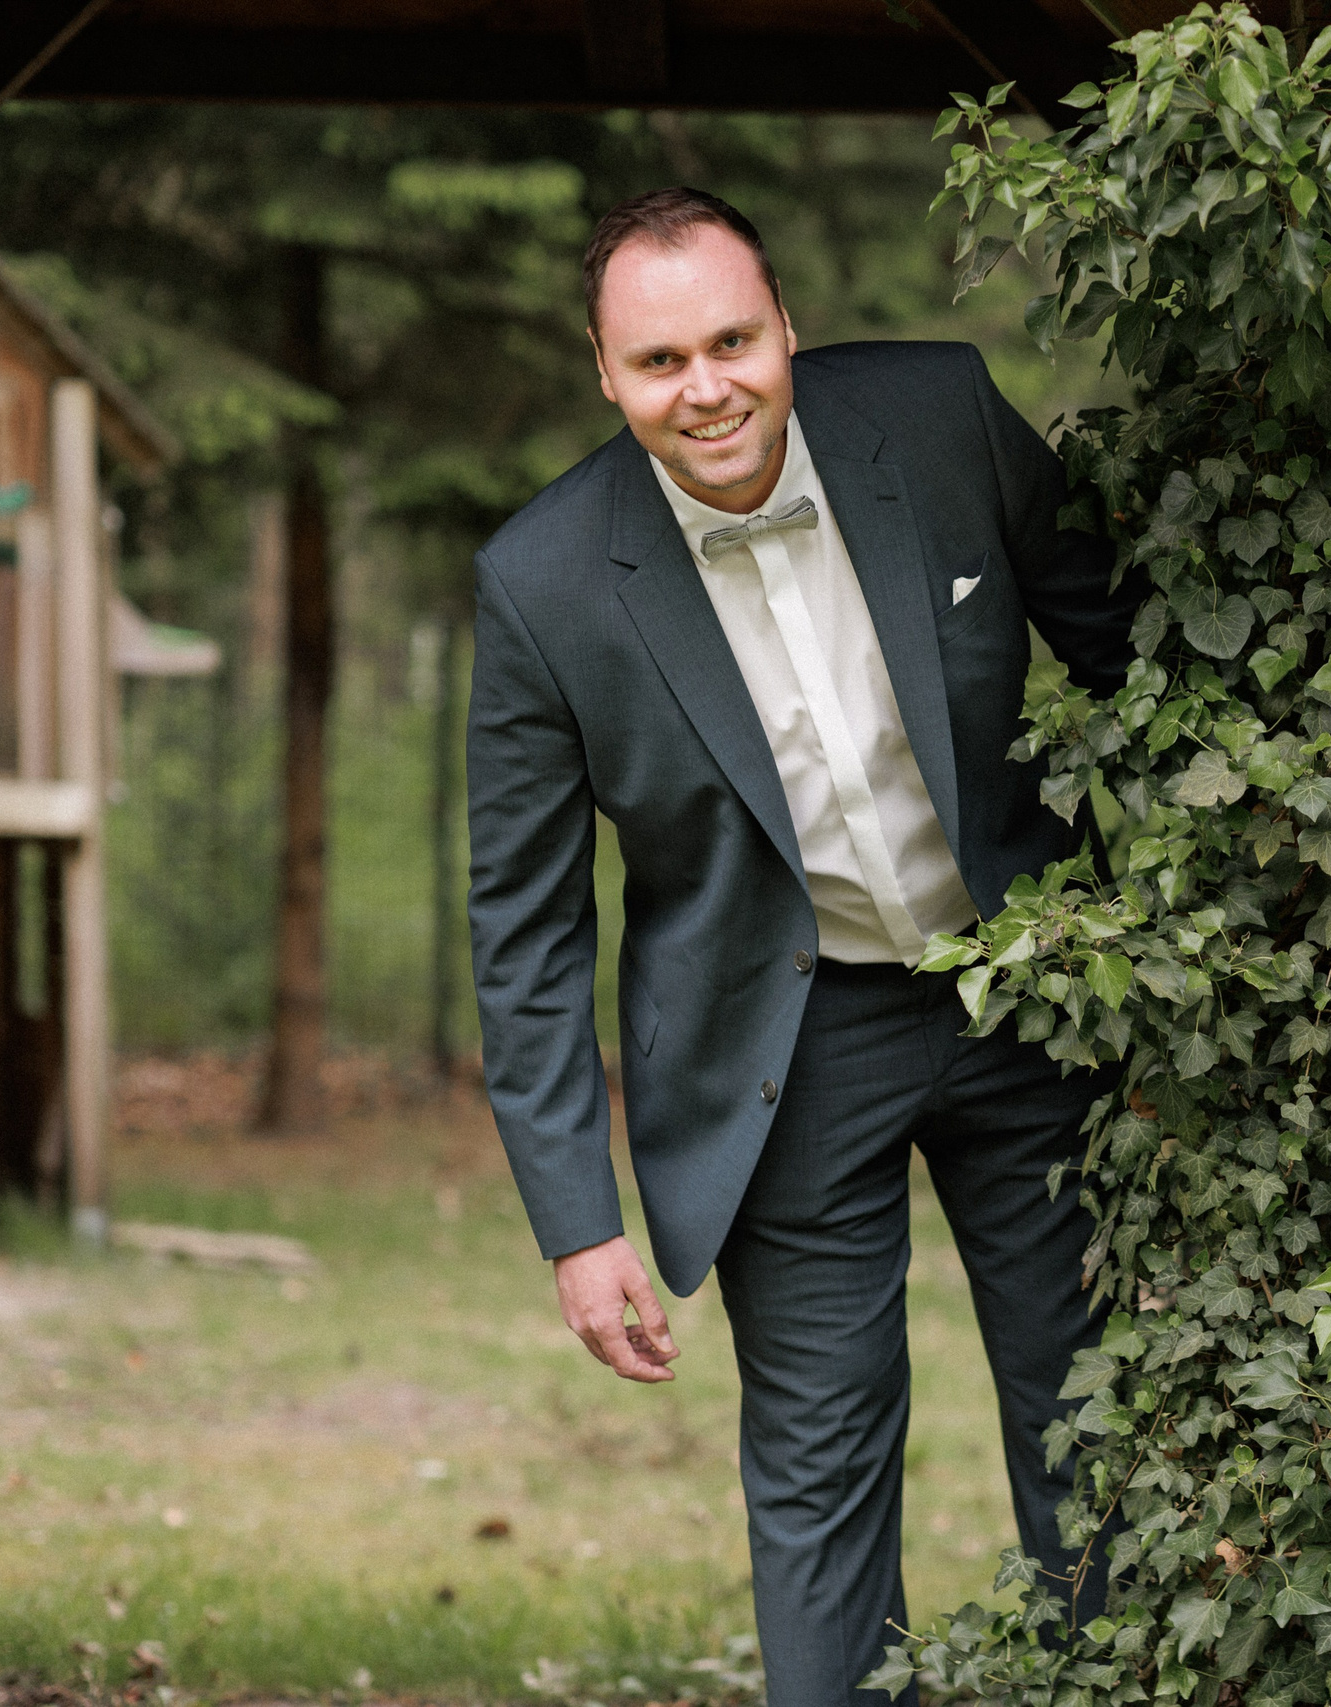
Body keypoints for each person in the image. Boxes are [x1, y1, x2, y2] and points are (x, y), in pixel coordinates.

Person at [465, 187, 1139, 1707]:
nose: (704, 388)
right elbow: (522, 920)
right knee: (821, 1466)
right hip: (787, 1043)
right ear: (605, 373)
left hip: (1032, 991)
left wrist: (1168, 954)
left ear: (787, 329)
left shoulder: (942, 414)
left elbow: (1125, 649)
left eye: (731, 341)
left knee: (1096, 1419)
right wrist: (577, 1223)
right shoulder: (544, 581)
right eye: (658, 362)